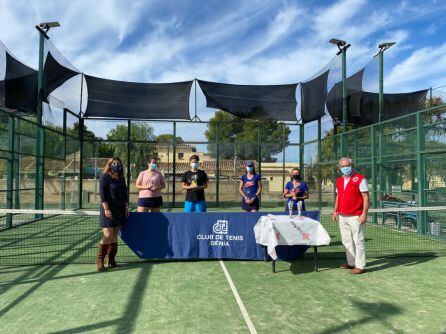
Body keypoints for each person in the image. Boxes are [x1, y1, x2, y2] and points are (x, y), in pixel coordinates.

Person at [333, 157, 369, 274]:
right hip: (342, 216)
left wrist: (364, 213)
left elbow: (366, 197)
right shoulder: (339, 180)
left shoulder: (360, 179)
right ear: (340, 168)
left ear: (352, 165)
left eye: (347, 166)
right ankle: (351, 263)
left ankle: (360, 266)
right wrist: (335, 210)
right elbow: (338, 196)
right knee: (346, 240)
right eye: (343, 166)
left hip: (356, 216)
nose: (345, 168)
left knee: (358, 240)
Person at [97, 157, 129, 272]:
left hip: (119, 210)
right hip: (108, 210)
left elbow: (125, 194)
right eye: (113, 163)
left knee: (115, 235)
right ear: (109, 165)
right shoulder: (105, 177)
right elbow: (103, 194)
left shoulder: (121, 178)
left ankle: (111, 260)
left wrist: (126, 206)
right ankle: (100, 261)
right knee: (107, 235)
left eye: (118, 163)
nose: (116, 165)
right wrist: (106, 209)